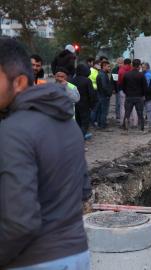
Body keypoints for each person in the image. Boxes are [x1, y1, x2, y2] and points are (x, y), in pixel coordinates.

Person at [0, 37, 91, 270]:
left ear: (19, 81)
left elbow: (20, 223)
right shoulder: (68, 122)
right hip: (78, 255)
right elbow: (84, 190)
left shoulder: (13, 130)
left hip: (34, 260)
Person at [121, 59, 147, 134]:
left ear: (132, 65)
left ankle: (125, 129)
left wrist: (127, 92)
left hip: (129, 97)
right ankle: (141, 130)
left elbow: (122, 86)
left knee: (127, 113)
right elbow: (145, 87)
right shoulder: (141, 75)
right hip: (139, 97)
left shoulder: (126, 74)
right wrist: (143, 94)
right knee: (140, 113)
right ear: (139, 66)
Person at [70, 64, 96, 137]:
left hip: (75, 106)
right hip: (85, 106)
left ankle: (77, 139)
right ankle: (80, 140)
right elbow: (91, 94)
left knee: (78, 123)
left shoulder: (72, 80)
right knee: (84, 125)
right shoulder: (87, 80)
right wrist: (91, 105)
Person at [118, 58, 137, 127]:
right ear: (130, 63)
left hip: (123, 90)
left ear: (124, 63)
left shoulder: (121, 70)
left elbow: (119, 82)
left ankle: (122, 122)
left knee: (123, 106)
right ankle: (134, 122)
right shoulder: (133, 70)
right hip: (133, 91)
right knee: (134, 107)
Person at [96, 61, 113, 131]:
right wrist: (108, 94)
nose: (109, 68)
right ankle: (104, 126)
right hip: (104, 96)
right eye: (108, 66)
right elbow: (104, 86)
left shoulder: (100, 74)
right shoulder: (103, 75)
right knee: (104, 111)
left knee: (100, 110)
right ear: (104, 67)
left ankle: (100, 124)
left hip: (100, 95)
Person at [142, 62, 151, 127]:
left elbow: (146, 86)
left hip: (148, 95)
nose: (142, 69)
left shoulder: (147, 75)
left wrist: (144, 95)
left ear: (146, 67)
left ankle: (150, 124)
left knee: (149, 110)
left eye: (142, 67)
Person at [90, 60, 101, 127]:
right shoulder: (92, 71)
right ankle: (92, 122)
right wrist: (100, 70)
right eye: (99, 65)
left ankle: (94, 121)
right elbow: (98, 78)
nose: (100, 66)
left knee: (97, 108)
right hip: (94, 91)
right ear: (95, 65)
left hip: (96, 91)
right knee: (94, 108)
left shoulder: (95, 71)